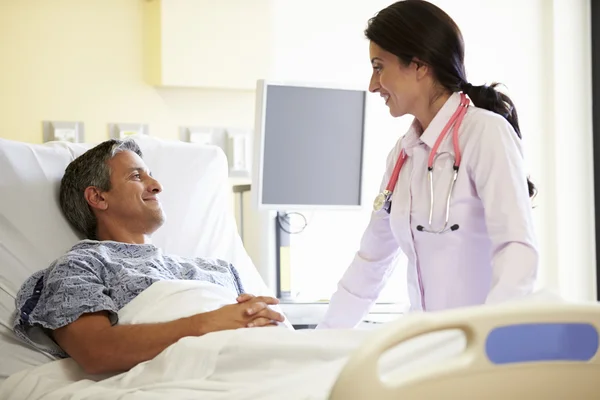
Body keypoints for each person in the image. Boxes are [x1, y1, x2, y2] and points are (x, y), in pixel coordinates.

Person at [318, 0, 538, 329]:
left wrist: (489, 341)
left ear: (419, 65)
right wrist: (321, 340)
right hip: (431, 346)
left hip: (483, 348)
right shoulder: (403, 155)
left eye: (379, 67)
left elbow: (517, 249)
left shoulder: (484, 133)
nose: (373, 84)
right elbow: (370, 264)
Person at [13, 139, 285, 375]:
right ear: (97, 197)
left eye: (151, 175)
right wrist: (208, 323)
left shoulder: (215, 268)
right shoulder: (81, 265)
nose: (156, 186)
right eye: (136, 176)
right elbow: (96, 351)